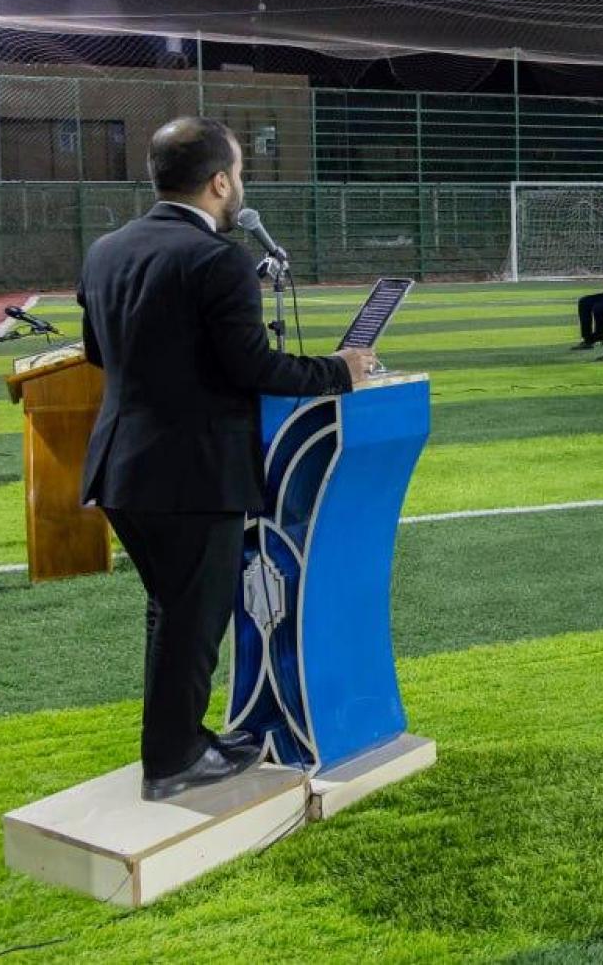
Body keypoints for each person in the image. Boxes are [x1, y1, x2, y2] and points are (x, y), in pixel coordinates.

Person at [77, 117, 377, 802]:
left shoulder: (105, 250)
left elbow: (98, 353)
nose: (239, 184)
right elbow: (253, 366)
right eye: (238, 172)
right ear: (219, 182)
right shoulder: (218, 260)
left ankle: (176, 743)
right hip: (191, 474)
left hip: (120, 466)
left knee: (173, 611)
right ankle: (174, 760)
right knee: (194, 616)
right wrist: (340, 369)